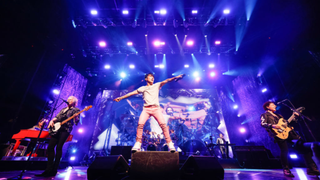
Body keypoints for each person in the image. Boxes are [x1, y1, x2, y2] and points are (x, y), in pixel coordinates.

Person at [114, 73, 184, 152]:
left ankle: (170, 144)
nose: (152, 78)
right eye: (150, 77)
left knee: (163, 125)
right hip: (146, 109)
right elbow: (131, 93)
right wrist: (121, 97)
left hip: (156, 109)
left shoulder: (157, 85)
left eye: (153, 77)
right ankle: (138, 143)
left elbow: (167, 80)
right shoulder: (143, 88)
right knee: (140, 124)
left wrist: (176, 77)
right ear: (146, 79)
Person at [260, 101, 319, 177]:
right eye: (272, 105)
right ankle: (286, 169)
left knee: (302, 146)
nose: (275, 106)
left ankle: (311, 168)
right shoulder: (265, 115)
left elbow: (286, 124)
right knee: (285, 151)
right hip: (278, 134)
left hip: (288, 133)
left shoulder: (279, 115)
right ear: (267, 107)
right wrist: (272, 126)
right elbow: (263, 124)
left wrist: (294, 117)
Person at [35, 96, 80, 177]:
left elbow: (76, 122)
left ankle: (54, 170)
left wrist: (76, 117)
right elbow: (57, 117)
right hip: (57, 129)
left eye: (71, 100)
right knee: (50, 147)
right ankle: (48, 169)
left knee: (59, 147)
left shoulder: (76, 110)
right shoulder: (63, 109)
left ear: (74, 102)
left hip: (65, 129)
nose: (69, 100)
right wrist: (52, 120)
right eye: (68, 99)